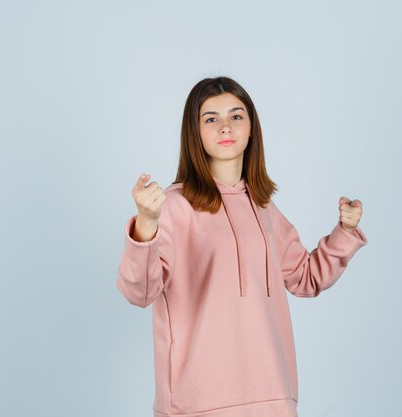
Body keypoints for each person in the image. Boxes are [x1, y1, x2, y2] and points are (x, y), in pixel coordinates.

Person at [117, 76, 368, 417]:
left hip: (272, 397)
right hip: (196, 404)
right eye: (211, 118)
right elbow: (140, 292)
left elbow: (306, 278)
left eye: (237, 116)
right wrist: (146, 223)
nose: (225, 126)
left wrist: (345, 231)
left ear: (252, 128)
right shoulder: (174, 205)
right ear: (195, 132)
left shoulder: (264, 208)